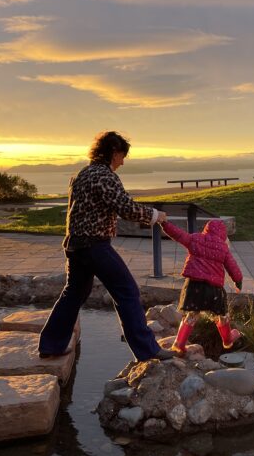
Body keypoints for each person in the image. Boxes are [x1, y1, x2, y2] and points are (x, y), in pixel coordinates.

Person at [38, 131, 175, 361]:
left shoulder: (82, 174)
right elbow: (126, 208)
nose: (122, 162)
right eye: (122, 155)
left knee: (74, 293)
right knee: (127, 291)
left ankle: (51, 345)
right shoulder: (105, 175)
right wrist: (155, 215)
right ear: (114, 151)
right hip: (94, 245)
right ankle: (148, 350)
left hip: (74, 244)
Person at [160, 219, 243, 355]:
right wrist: (238, 281)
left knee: (192, 314)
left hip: (194, 286)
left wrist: (164, 223)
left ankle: (179, 344)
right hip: (214, 289)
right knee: (222, 315)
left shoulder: (195, 239)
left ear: (206, 229)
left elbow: (179, 234)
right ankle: (227, 340)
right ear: (223, 233)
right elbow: (232, 267)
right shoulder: (223, 248)